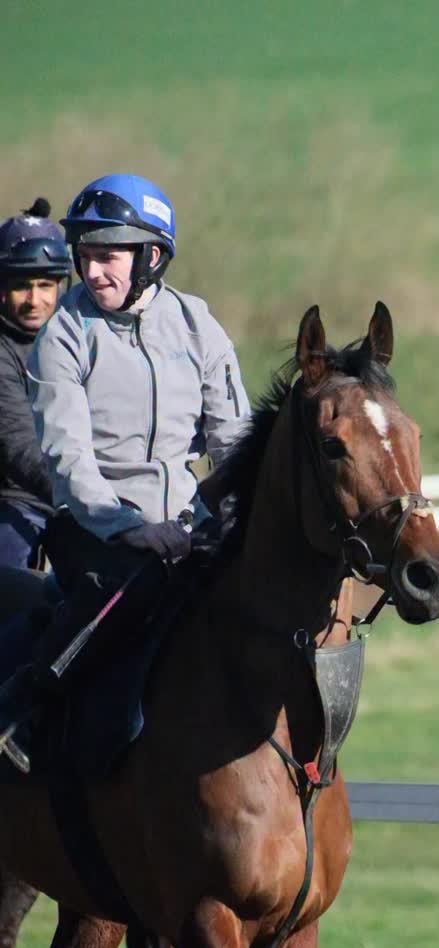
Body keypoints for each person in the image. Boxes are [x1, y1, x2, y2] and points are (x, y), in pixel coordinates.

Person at [0, 173, 251, 767]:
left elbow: (234, 440)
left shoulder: (198, 325)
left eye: (106, 257)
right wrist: (129, 526)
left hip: (187, 524)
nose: (90, 273)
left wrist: (234, 513)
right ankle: (27, 709)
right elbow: (68, 460)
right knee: (138, 587)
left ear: (152, 256)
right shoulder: (61, 336)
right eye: (84, 257)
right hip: (92, 529)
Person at [0, 199, 72, 568]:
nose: (34, 300)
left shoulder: (80, 339)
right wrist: (89, 502)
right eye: (21, 286)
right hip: (16, 500)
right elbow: (20, 449)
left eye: (46, 284)